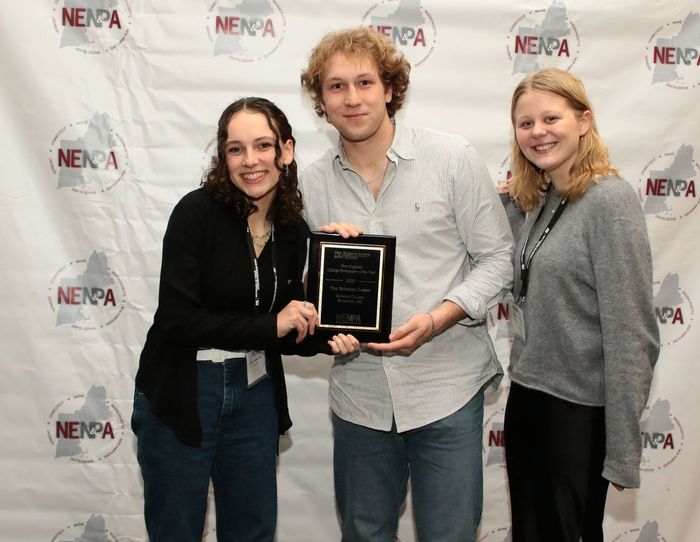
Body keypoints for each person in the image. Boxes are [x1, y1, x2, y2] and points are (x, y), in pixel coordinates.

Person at [299, 27, 514, 542]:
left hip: (446, 387)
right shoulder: (308, 184)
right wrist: (322, 315)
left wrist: (440, 317)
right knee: (365, 533)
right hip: (359, 395)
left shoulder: (452, 158)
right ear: (320, 102)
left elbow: (499, 258)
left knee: (449, 535)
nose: (352, 98)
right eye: (336, 87)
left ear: (391, 89)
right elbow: (301, 287)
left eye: (365, 82)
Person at [131, 97, 358, 541]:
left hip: (255, 394)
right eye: (236, 149)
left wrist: (338, 326)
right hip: (184, 391)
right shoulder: (195, 213)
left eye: (263, 146)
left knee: (252, 531)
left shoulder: (294, 229)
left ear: (286, 151)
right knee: (175, 531)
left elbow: (293, 326)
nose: (250, 161)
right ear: (223, 157)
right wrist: (271, 326)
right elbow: (178, 320)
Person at [500, 68, 660, 542]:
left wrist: (622, 450)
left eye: (551, 118)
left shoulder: (610, 201)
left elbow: (633, 332)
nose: (538, 132)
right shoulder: (536, 198)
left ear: (584, 120)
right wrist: (503, 201)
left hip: (578, 413)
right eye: (525, 124)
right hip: (526, 396)